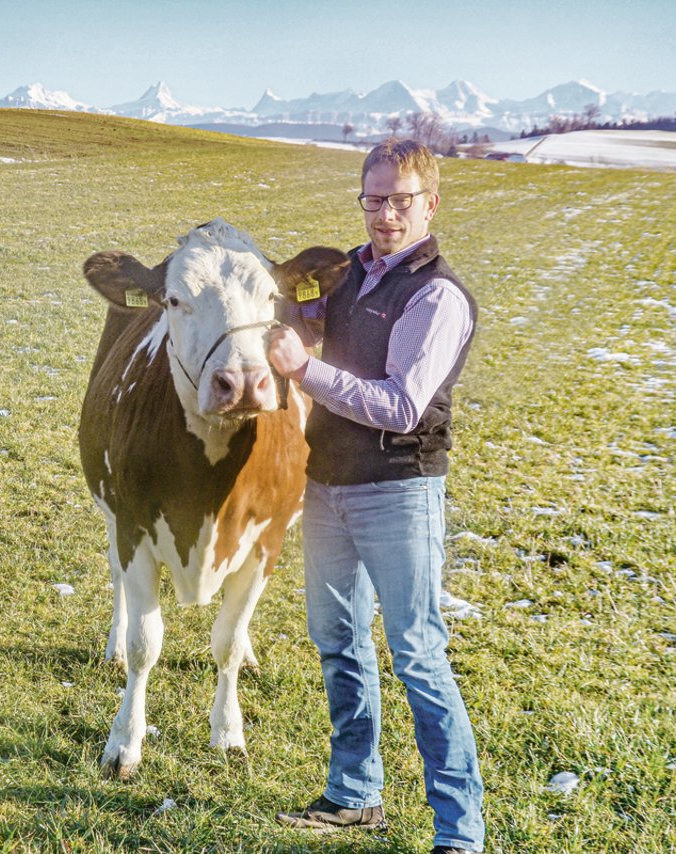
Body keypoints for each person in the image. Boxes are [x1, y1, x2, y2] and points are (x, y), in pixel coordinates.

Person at [268, 138, 484, 854]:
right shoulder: (350, 276)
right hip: (327, 486)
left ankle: (460, 832)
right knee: (338, 643)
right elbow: (315, 329)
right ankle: (354, 794)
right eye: (373, 199)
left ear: (431, 204)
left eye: (401, 201)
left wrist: (305, 371)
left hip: (398, 491)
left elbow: (401, 405)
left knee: (418, 653)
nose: (386, 215)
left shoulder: (437, 295)